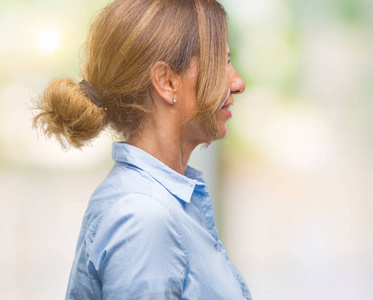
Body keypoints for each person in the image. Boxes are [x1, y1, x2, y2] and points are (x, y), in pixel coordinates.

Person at [33, 0, 249, 299]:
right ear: (167, 81)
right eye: (220, 63)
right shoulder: (144, 217)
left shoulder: (158, 204)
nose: (237, 83)